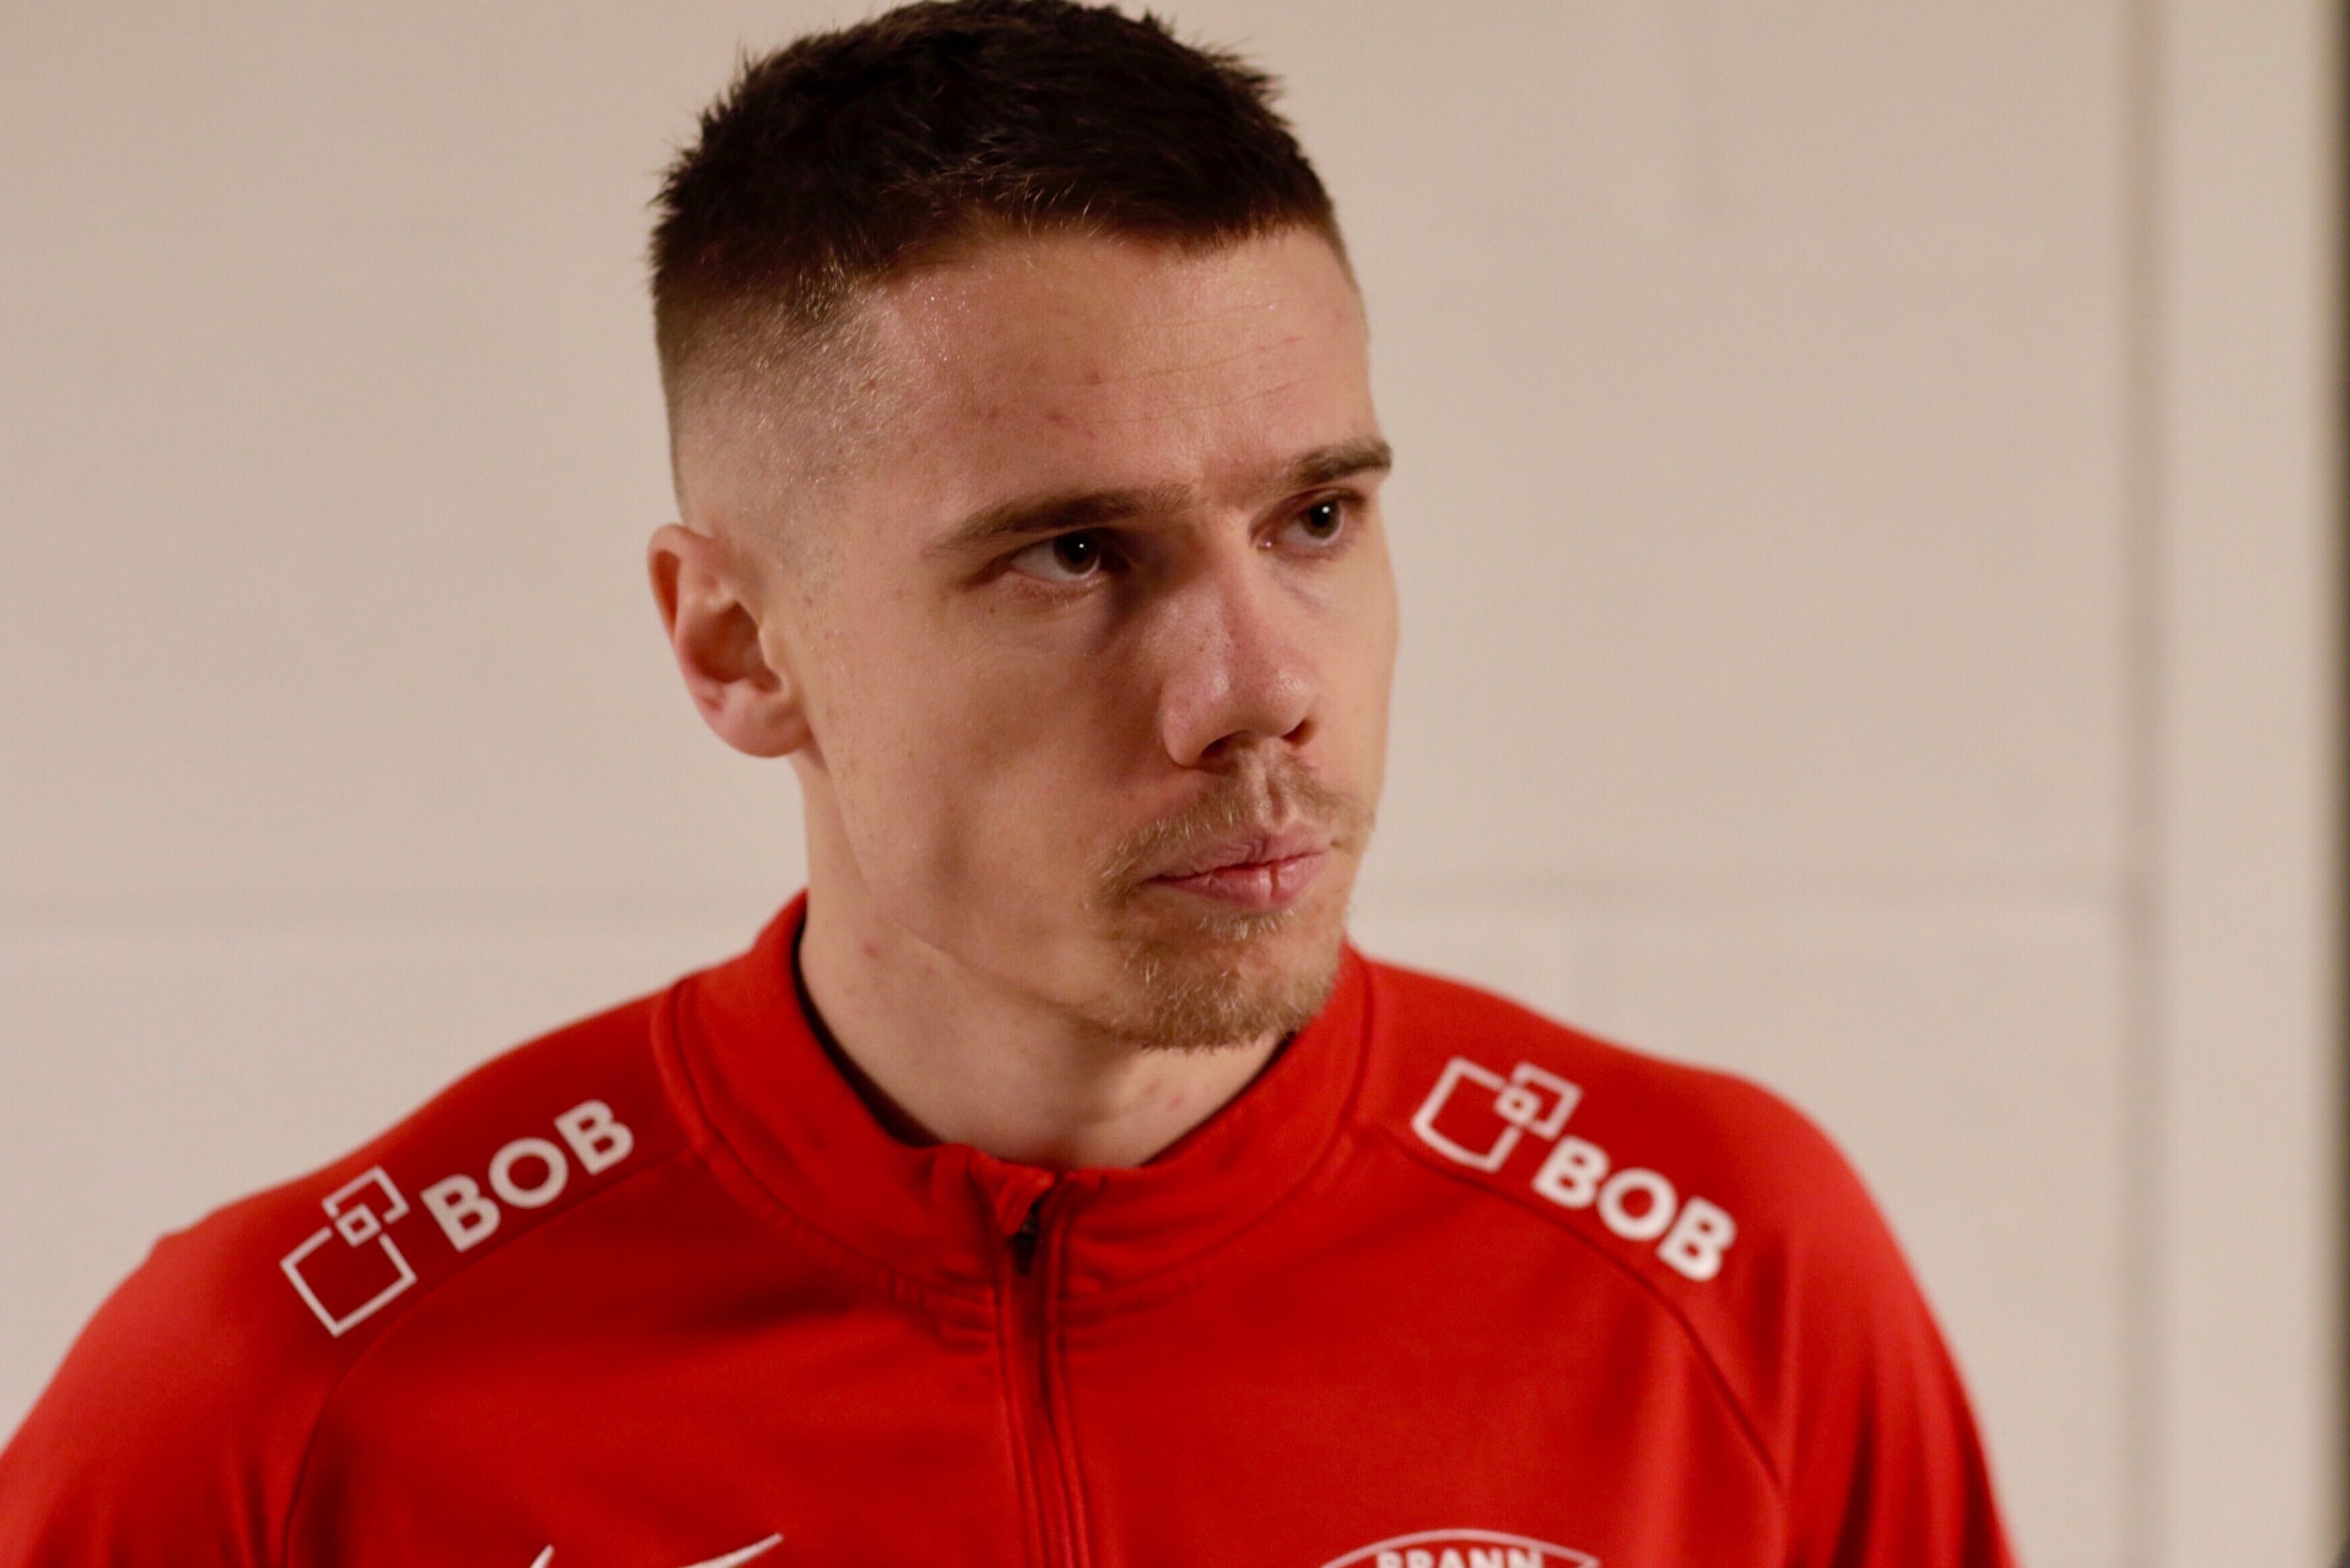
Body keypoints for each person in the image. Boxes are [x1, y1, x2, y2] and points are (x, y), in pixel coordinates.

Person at [0, 3, 2015, 1564]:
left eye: (1315, 518)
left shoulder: (1723, 1273)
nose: (1258, 690)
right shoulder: (285, 1396)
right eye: (1073, 554)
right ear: (739, 644)